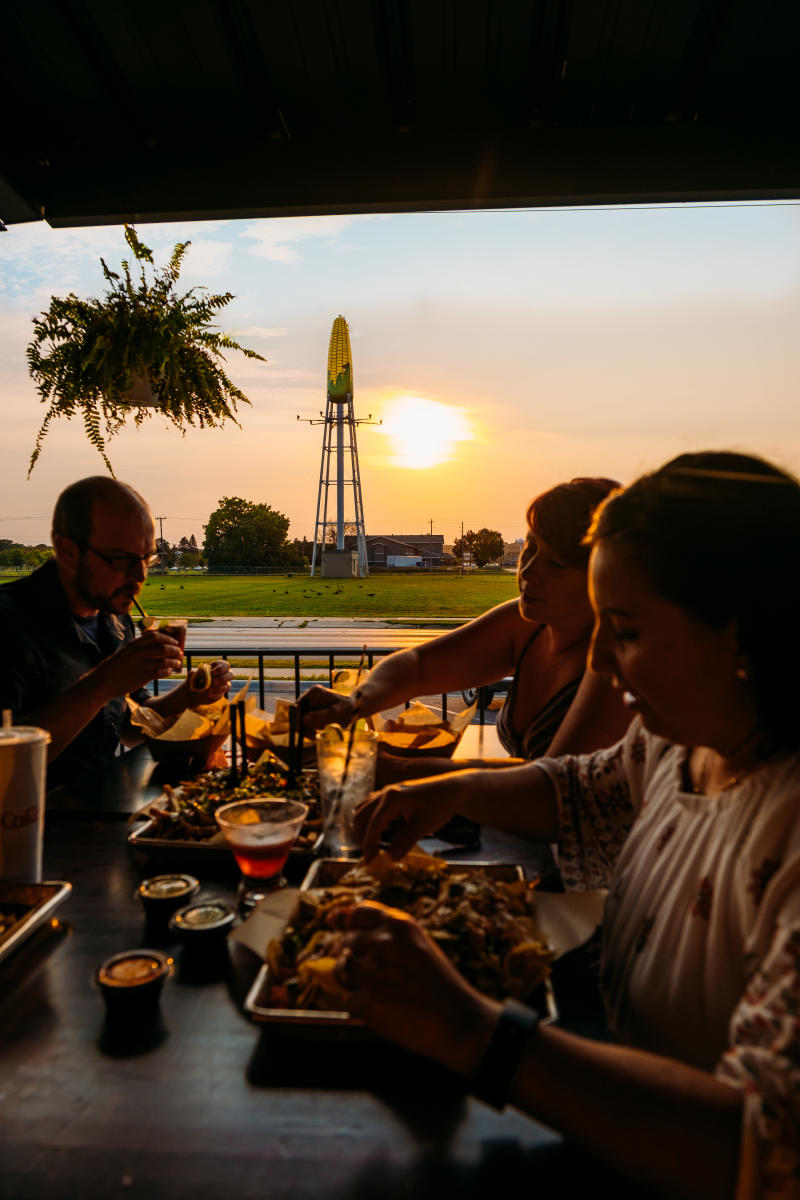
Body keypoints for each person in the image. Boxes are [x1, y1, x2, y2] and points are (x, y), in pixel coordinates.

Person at [345, 451, 800, 1199]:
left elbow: (763, 1146)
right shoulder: (682, 737)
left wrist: (472, 1032)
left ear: (740, 633)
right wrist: (449, 789)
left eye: (623, 630)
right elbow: (580, 790)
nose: (599, 663)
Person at [302, 478, 631, 780]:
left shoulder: (613, 662)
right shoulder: (527, 625)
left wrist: (398, 769)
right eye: (530, 549)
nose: (529, 570)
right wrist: (353, 703)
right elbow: (419, 665)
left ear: (602, 573)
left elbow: (552, 786)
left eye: (556, 564)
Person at [0, 476, 231, 787]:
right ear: (68, 551)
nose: (140, 575)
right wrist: (102, 684)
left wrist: (188, 695)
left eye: (146, 558)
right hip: (32, 827)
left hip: (104, 819)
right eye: (121, 559)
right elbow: (6, 763)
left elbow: (129, 725)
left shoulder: (117, 622)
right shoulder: (9, 622)